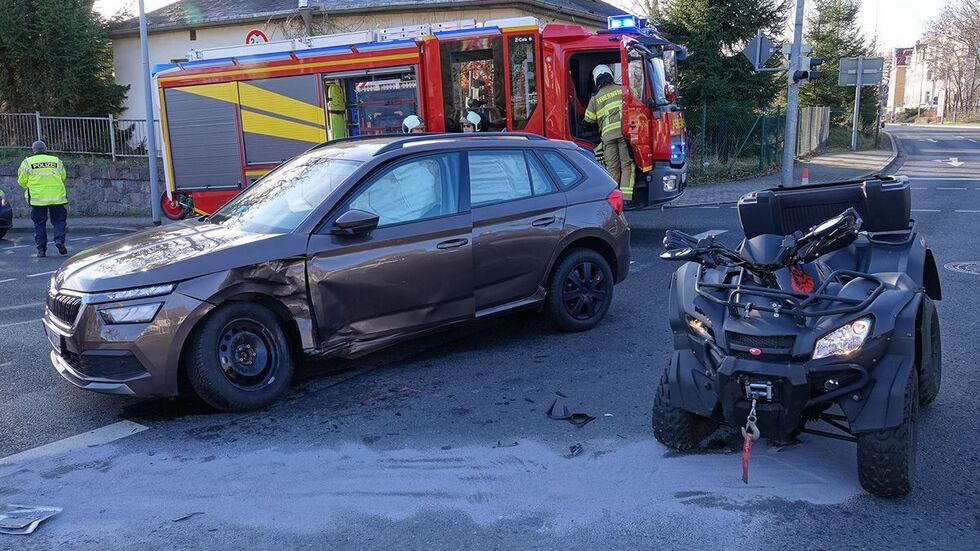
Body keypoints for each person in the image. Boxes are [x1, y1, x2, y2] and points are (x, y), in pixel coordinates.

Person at [584, 64, 633, 201]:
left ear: (596, 80)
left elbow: (588, 119)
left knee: (612, 168)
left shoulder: (595, 98)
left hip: (608, 138)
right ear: (610, 75)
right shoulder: (623, 90)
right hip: (624, 135)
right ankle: (626, 199)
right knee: (626, 166)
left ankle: (612, 199)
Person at [18, 140, 68, 257]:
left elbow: (22, 181)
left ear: (33, 150)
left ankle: (41, 250)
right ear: (46, 149)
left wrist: (30, 186)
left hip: (37, 199)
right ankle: (59, 240)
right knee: (59, 221)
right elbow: (63, 176)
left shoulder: (27, 162)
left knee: (39, 224)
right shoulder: (56, 161)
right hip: (57, 197)